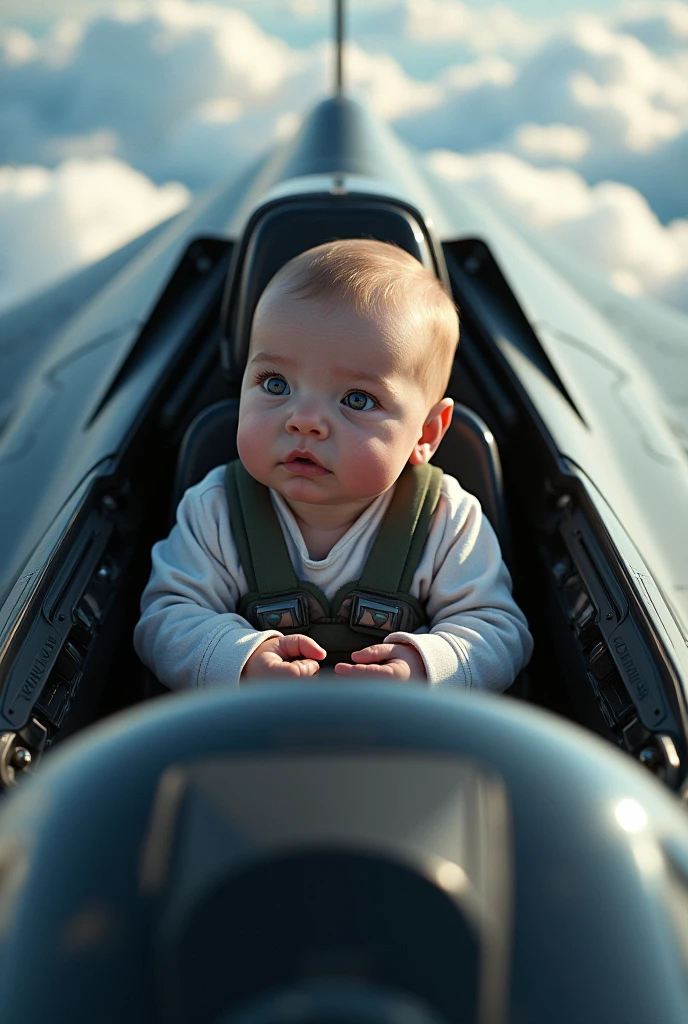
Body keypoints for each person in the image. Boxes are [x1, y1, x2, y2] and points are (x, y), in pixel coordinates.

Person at [134, 240, 533, 689]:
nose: (304, 421)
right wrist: (239, 662)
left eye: (356, 399)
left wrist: (426, 667)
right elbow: (165, 620)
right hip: (254, 736)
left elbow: (498, 632)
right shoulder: (216, 509)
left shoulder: (446, 519)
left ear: (424, 434)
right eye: (276, 383)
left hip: (400, 740)